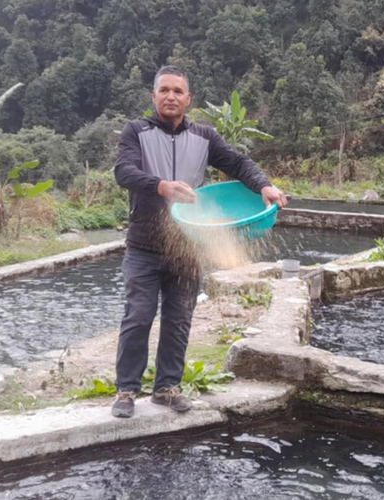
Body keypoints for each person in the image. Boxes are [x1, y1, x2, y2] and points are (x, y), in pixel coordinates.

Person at [111, 65, 287, 418]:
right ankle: (127, 391)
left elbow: (238, 163)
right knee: (139, 316)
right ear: (154, 96)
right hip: (144, 246)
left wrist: (264, 185)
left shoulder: (205, 136)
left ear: (188, 99)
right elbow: (123, 172)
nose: (171, 96)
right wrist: (162, 186)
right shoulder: (136, 132)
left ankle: (166, 388)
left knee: (179, 319)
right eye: (164, 90)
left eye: (178, 91)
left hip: (189, 245)